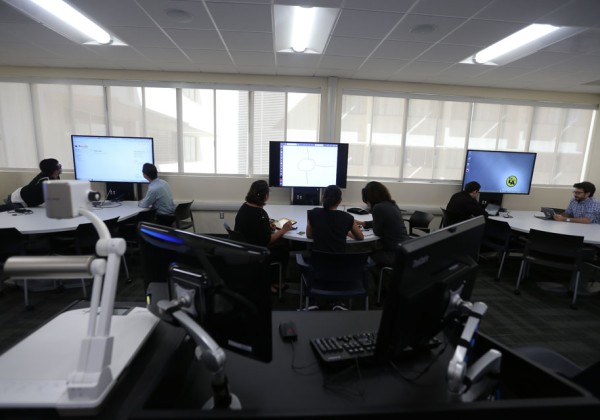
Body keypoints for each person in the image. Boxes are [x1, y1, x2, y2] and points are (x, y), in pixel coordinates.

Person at [234, 180, 293, 293]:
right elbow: (267, 241)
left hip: (244, 249)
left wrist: (267, 226)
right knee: (283, 251)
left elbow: (254, 228)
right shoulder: (260, 214)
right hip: (257, 252)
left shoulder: (244, 208)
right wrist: (283, 230)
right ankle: (276, 283)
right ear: (266, 196)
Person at [356, 181, 409, 266]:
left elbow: (378, 232)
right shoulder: (391, 204)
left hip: (392, 252)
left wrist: (371, 209)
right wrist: (363, 223)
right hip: (403, 247)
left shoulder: (378, 207)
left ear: (370, 197)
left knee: (363, 253)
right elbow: (383, 223)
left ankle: (370, 276)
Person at [306, 185, 363, 252]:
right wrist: (346, 232)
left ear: (323, 198)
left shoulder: (314, 213)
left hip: (318, 261)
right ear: (340, 201)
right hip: (340, 261)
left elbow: (309, 235)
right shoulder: (348, 217)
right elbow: (360, 237)